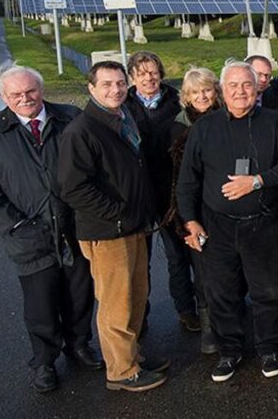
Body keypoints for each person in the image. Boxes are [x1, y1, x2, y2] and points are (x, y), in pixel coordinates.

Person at [177, 60, 278, 382]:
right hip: (217, 226)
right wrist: (190, 220)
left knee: (269, 291)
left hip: (264, 224)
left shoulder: (275, 122)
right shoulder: (205, 128)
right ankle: (229, 352)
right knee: (221, 293)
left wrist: (258, 181)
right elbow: (188, 179)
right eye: (232, 86)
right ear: (222, 90)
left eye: (247, 84)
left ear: (257, 87)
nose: (240, 91)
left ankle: (269, 347)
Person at [0, 62, 100, 393]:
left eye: (31, 91)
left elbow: (93, 163)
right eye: (16, 94)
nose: (25, 98)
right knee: (41, 303)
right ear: (3, 96)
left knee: (79, 294)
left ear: (42, 90)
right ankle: (44, 361)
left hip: (75, 226)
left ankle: (79, 344)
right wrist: (14, 225)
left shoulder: (71, 118)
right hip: (26, 234)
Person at [58, 61, 167, 392]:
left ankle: (130, 356)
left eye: (120, 83)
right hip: (107, 232)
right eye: (106, 84)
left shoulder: (122, 117)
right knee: (116, 305)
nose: (115, 90)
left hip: (132, 226)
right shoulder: (82, 130)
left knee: (136, 296)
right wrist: (116, 213)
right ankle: (121, 371)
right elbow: (73, 187)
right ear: (91, 89)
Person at [123, 51, 195, 332]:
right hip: (138, 194)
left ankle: (186, 310)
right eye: (141, 74)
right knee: (139, 263)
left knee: (178, 256)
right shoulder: (123, 104)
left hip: (169, 191)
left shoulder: (176, 101)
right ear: (132, 77)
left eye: (153, 72)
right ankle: (140, 316)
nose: (148, 78)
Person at [163, 67, 222, 355]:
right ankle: (209, 330)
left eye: (207, 90)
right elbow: (179, 180)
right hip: (197, 210)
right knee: (203, 272)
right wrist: (187, 220)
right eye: (195, 92)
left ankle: (229, 323)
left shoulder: (227, 117)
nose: (202, 96)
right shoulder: (179, 127)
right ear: (186, 96)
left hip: (226, 206)